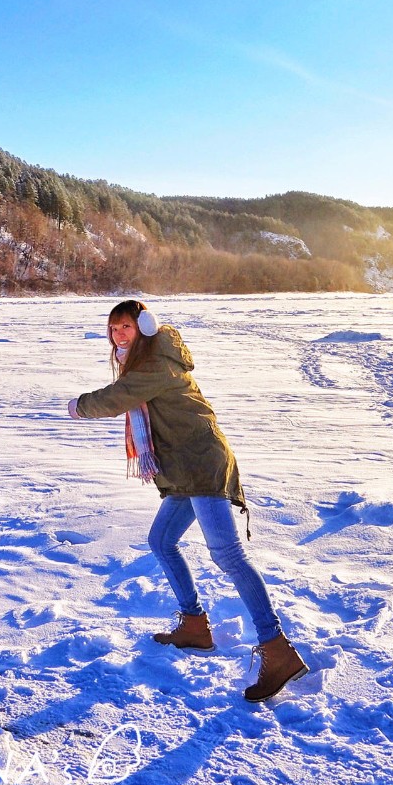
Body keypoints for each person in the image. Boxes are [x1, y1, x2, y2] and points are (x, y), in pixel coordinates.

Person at [65, 299, 309, 702]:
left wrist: (79, 407)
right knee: (162, 542)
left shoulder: (155, 367)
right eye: (113, 328)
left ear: (144, 327)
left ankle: (276, 648)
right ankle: (195, 625)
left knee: (228, 556)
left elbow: (116, 398)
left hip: (200, 464)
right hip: (183, 469)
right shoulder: (146, 363)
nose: (118, 335)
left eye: (125, 326)